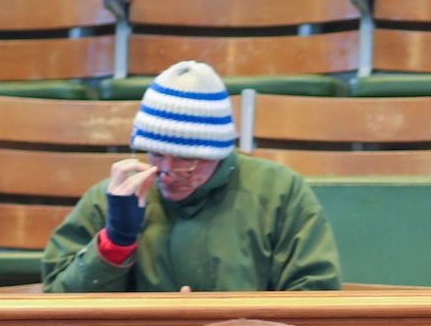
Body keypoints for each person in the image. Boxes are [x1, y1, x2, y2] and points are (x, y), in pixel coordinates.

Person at [43, 59, 341, 294]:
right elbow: (59, 305)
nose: (167, 171)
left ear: (218, 152)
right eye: (156, 154)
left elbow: (315, 296)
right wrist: (114, 243)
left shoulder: (279, 192)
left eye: (186, 158)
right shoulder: (113, 198)